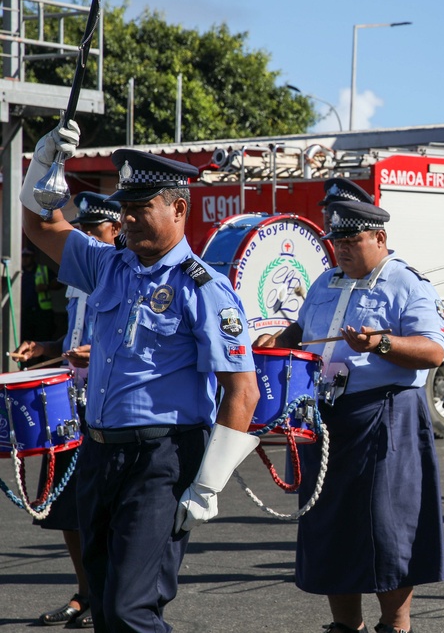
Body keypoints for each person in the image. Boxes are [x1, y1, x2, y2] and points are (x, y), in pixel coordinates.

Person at [20, 121, 261, 631]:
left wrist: (209, 483)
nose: (127, 219)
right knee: (106, 605)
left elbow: (243, 389)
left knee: (133, 608)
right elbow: (42, 227)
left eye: (140, 208)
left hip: (162, 460)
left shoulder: (204, 288)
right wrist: (43, 165)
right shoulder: (109, 266)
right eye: (125, 208)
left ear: (178, 208)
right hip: (101, 452)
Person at [253, 198, 444, 633]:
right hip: (324, 417)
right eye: (335, 239)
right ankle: (345, 625)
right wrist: (275, 341)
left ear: (379, 238)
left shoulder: (408, 284)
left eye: (351, 239)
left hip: (384, 414)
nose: (340, 247)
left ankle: (395, 624)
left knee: (387, 529)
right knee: (328, 525)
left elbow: (433, 351)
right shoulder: (325, 282)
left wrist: (381, 344)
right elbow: (300, 333)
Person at [10, 191, 122, 628]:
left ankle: (114, 596)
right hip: (67, 405)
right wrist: (46, 348)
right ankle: (86, 592)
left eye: (94, 231)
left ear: (115, 233)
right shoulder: (79, 279)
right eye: (82, 230)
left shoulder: (122, 277)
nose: (85, 238)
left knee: (105, 511)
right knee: (68, 510)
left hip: (107, 408)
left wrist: (102, 351)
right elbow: (72, 341)